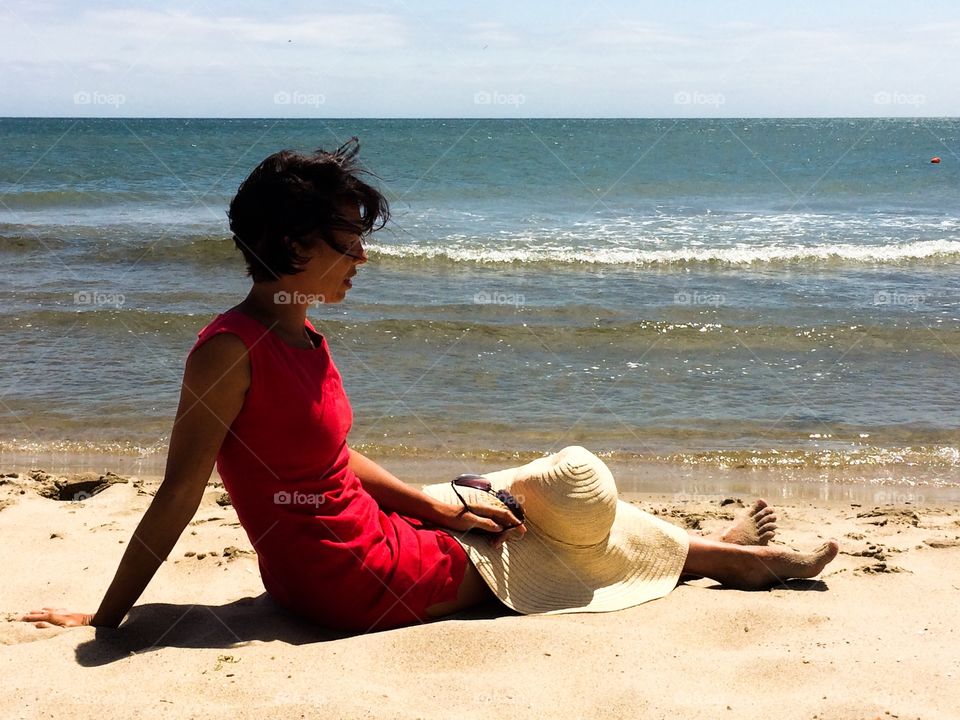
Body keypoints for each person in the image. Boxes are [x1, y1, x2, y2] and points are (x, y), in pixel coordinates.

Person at [22, 139, 838, 633]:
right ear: (291, 242)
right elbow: (176, 496)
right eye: (349, 238)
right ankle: (729, 560)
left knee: (518, 501)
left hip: (371, 531)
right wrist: (107, 617)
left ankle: (705, 550)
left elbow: (335, 460)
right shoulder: (227, 352)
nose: (364, 257)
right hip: (347, 577)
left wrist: (439, 507)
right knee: (554, 509)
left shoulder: (301, 330)